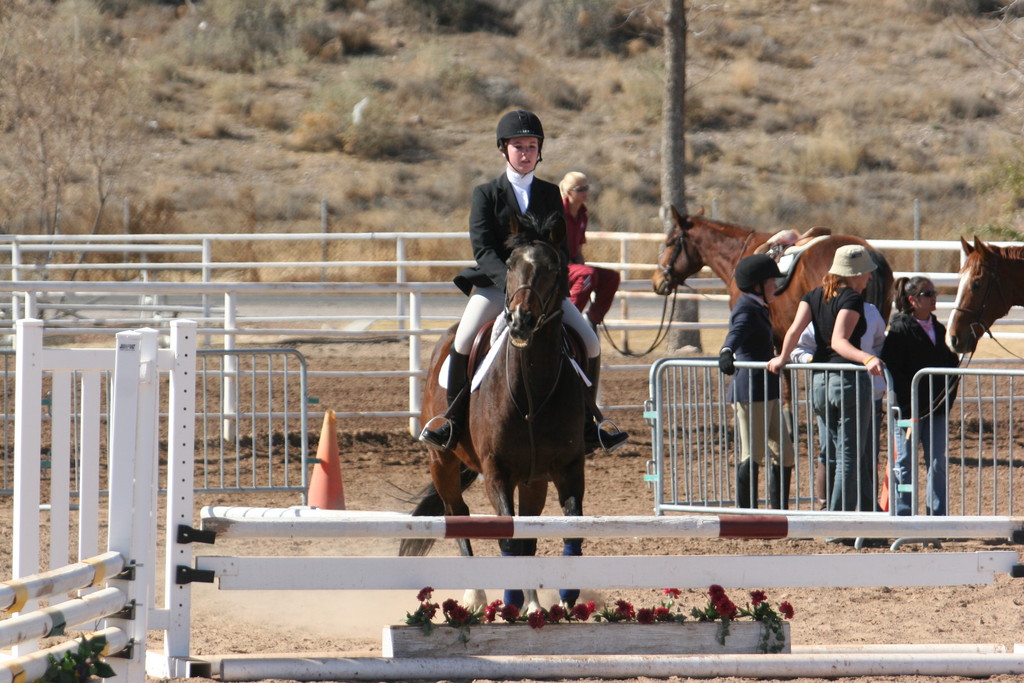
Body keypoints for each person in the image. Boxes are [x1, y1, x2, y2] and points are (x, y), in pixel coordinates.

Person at [418, 110, 628, 454]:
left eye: (532, 146)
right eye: (519, 146)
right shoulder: (485, 194)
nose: (526, 153)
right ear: (504, 149)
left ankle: (590, 425)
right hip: (495, 286)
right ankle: (451, 421)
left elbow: (559, 249)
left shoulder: (549, 195)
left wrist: (545, 287)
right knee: (463, 340)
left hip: (541, 293)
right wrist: (510, 286)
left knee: (590, 342)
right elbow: (483, 249)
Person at [768, 244, 884, 513]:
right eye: (866, 274)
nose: (868, 279)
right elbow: (839, 342)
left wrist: (782, 358)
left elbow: (794, 331)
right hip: (847, 381)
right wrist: (866, 358)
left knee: (835, 453)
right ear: (855, 274)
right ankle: (839, 522)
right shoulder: (852, 299)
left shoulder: (813, 296)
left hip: (820, 383)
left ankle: (868, 517)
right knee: (850, 456)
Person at [792, 302, 887, 510]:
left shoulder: (871, 311)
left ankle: (865, 507)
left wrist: (880, 378)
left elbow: (880, 345)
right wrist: (816, 361)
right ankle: (828, 505)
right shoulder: (822, 310)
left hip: (868, 392)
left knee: (866, 453)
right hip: (832, 388)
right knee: (831, 450)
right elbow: (799, 349)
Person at [718, 254, 794, 509]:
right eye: (771, 281)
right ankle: (746, 515)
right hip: (750, 391)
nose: (776, 286)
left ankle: (779, 513)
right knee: (752, 455)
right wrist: (727, 351)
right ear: (757, 285)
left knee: (785, 453)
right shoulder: (746, 308)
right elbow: (736, 332)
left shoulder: (759, 306)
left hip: (768, 389)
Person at [881, 276, 959, 516]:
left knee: (937, 463)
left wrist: (945, 399)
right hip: (909, 411)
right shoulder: (899, 329)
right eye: (928, 294)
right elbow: (892, 369)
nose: (934, 297)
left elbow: (951, 366)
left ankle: (938, 516)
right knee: (905, 462)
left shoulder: (939, 328)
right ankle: (903, 514)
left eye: (934, 293)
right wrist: (911, 401)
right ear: (913, 300)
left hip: (936, 410)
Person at [558, 171, 621, 329]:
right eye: (580, 189)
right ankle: (567, 318)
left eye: (586, 188)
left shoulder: (582, 215)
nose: (585, 192)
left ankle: (592, 318)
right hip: (558, 265)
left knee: (611, 277)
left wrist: (580, 262)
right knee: (587, 275)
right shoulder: (558, 213)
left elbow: (578, 249)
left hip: (573, 265)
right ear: (569, 192)